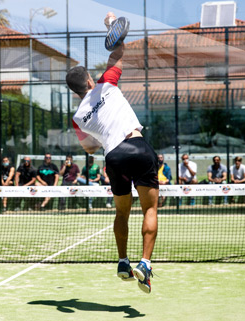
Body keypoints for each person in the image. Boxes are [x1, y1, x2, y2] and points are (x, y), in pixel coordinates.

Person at [66, 11, 158, 294]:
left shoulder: (78, 118)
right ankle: (144, 263)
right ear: (90, 81)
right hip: (137, 146)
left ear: (75, 92)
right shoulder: (107, 83)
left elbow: (90, 148)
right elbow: (119, 51)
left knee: (122, 212)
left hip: (113, 157)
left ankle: (122, 261)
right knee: (150, 208)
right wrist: (109, 24)